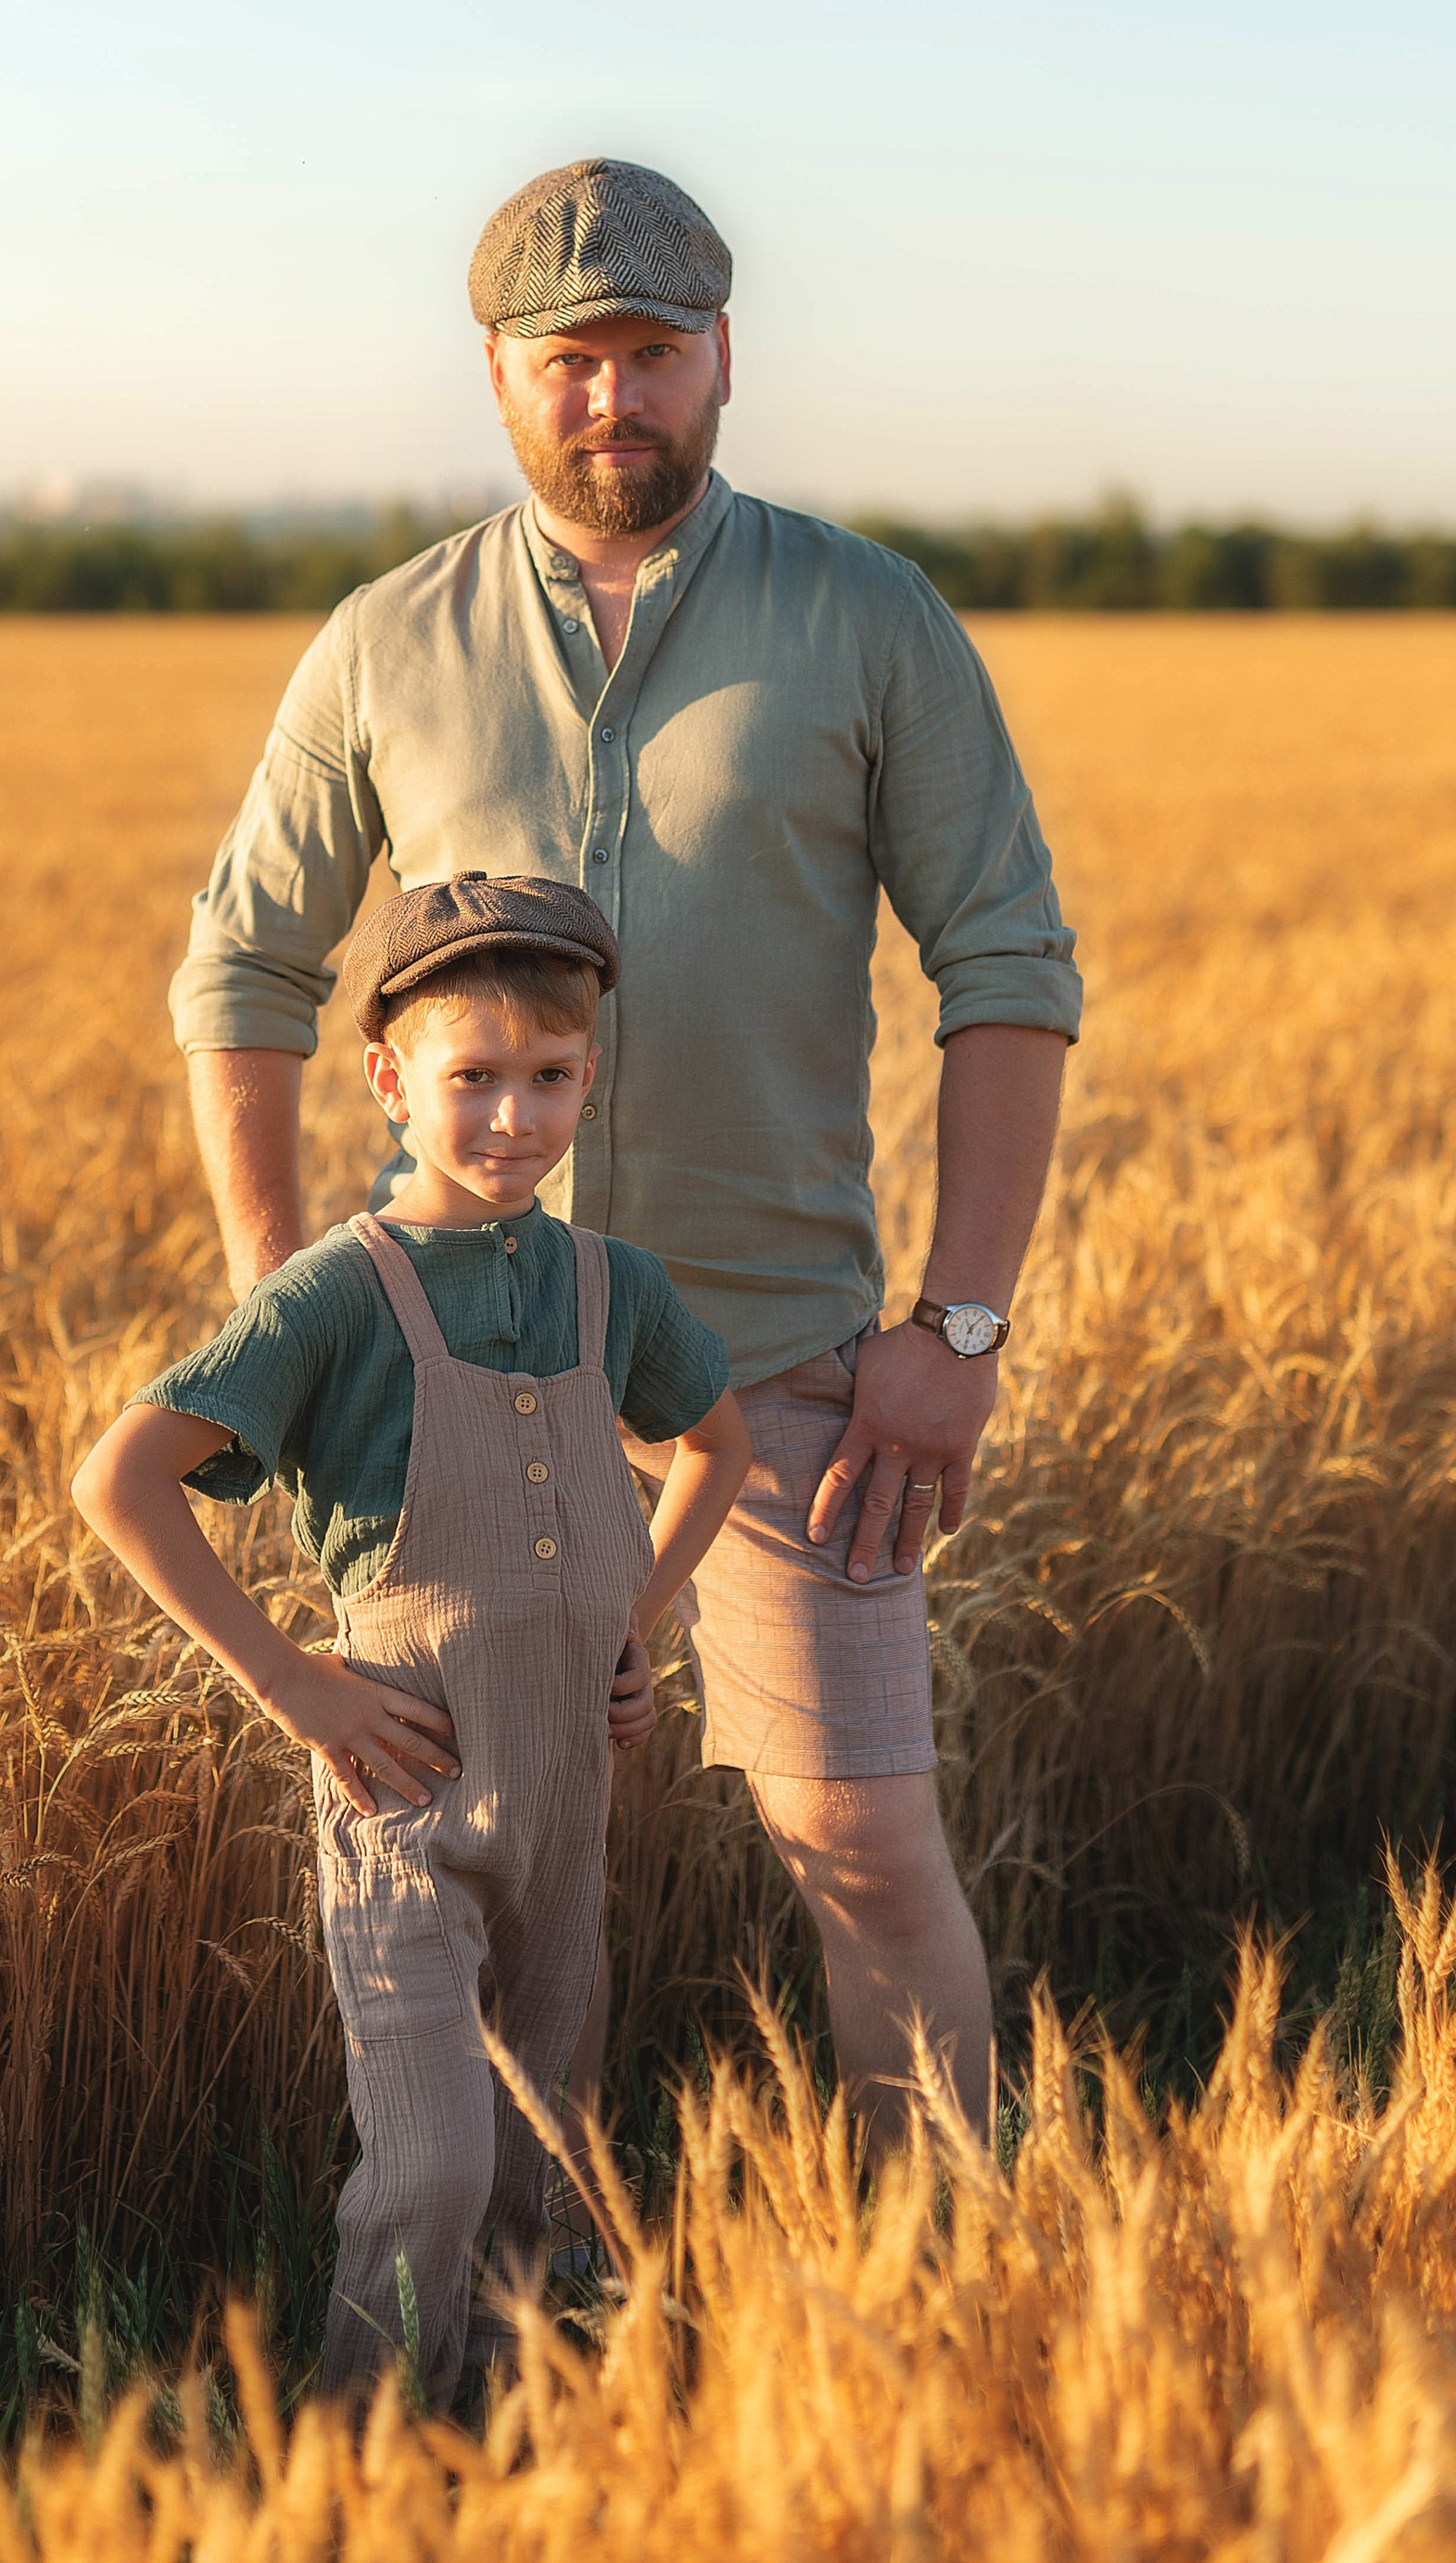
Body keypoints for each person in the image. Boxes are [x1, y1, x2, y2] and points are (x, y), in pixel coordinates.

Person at [170, 157, 1082, 2136]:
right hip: (445, 1403)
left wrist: (963, 1326)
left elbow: (1006, 962)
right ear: (493, 372)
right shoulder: (381, 645)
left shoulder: (866, 620)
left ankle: (948, 2297)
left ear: (723, 359)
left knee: (862, 1843)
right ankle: (497, 2325)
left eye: (650, 354)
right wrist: (288, 1306)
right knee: (477, 1878)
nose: (612, 401)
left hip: (773, 1372)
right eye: (568, 361)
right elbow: (242, 968)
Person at [75, 871, 749, 2409]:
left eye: (551, 1078)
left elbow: (718, 1443)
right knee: (433, 2172)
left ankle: (493, 2460)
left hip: (568, 1796)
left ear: (591, 1073)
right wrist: (291, 1680)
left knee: (534, 2174)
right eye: (474, 1078)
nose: (515, 1116)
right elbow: (120, 1480)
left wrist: (632, 1625)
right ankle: (352, 2460)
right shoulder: (337, 1295)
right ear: (388, 1080)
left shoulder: (603, 1283)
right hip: (408, 1796)